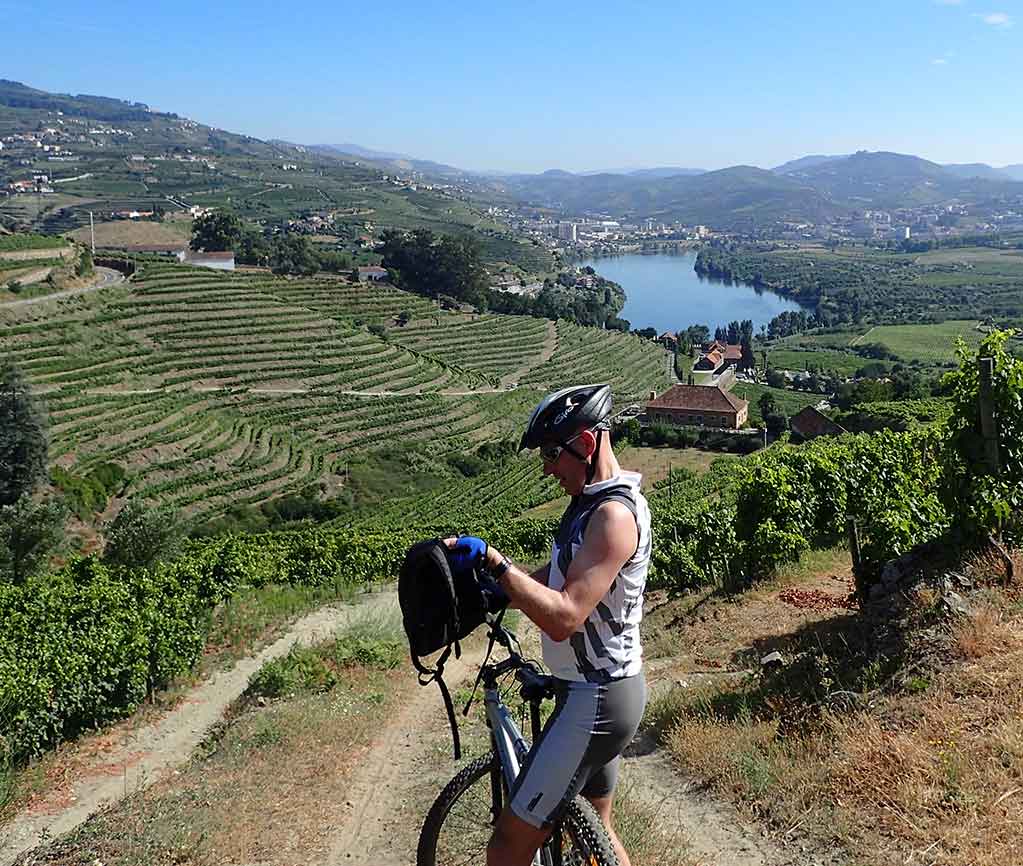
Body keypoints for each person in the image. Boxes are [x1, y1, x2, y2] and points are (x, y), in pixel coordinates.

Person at [447, 383, 652, 866]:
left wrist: (498, 565)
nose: (547, 468)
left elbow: (564, 616)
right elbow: (558, 579)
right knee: (596, 832)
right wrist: (501, 588)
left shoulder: (612, 516)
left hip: (596, 699)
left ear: (585, 444)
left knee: (506, 847)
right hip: (597, 691)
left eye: (552, 454)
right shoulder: (588, 504)